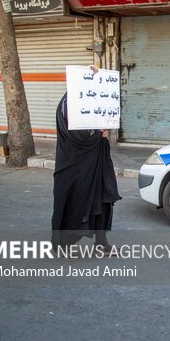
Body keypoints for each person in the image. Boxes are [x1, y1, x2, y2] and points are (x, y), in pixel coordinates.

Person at [51, 67, 121, 255]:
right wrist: (97, 133)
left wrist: (104, 129)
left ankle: (101, 242)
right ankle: (64, 247)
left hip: (97, 160)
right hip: (74, 165)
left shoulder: (92, 100)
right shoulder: (68, 103)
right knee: (75, 202)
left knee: (103, 197)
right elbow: (77, 135)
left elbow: (101, 119)